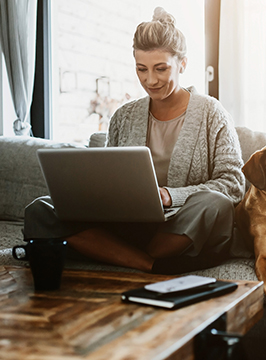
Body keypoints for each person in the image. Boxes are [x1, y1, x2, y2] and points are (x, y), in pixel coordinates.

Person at [23, 7, 246, 274]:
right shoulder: (123, 116)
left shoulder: (212, 113)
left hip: (182, 226)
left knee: (215, 203)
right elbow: (108, 177)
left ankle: (114, 252)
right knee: (40, 209)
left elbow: (232, 185)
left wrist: (169, 196)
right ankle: (151, 264)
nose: (150, 80)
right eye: (141, 69)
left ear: (182, 64)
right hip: (129, 225)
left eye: (160, 69)